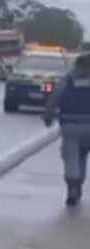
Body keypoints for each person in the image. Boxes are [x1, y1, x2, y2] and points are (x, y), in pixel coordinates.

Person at [45, 53, 90, 206]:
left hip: (70, 123)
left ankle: (73, 186)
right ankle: (78, 183)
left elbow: (56, 95)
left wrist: (48, 115)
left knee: (72, 156)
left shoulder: (69, 78)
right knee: (82, 155)